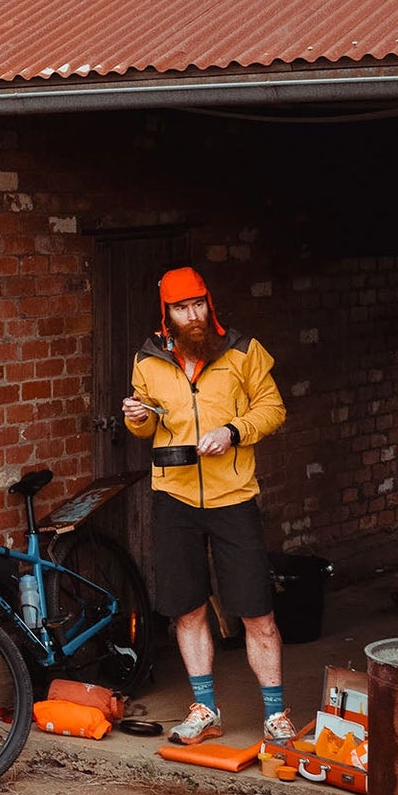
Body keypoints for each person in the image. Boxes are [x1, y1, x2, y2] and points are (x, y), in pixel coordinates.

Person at [121, 266, 290, 746]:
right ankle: (204, 710)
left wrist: (233, 431)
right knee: (188, 610)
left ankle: (275, 714)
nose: (193, 316)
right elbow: (145, 427)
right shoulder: (148, 359)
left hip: (233, 497)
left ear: (209, 304)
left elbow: (273, 408)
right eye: (182, 308)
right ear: (167, 314)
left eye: (198, 304)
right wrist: (137, 416)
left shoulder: (242, 351)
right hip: (174, 498)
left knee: (257, 611)